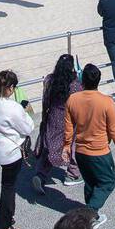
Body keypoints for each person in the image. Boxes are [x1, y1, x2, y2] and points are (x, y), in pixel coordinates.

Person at [63, 64, 115, 229]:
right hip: (99, 152)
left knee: (91, 183)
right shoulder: (106, 101)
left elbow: (68, 127)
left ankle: (93, 215)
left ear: (82, 80)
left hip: (81, 152)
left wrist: (66, 146)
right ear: (98, 80)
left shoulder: (73, 99)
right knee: (108, 181)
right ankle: (88, 215)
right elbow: (114, 129)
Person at [0, 69, 35, 229]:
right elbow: (28, 128)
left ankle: (7, 218)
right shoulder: (12, 107)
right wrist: (25, 112)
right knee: (8, 187)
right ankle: (4, 226)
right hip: (10, 151)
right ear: (10, 88)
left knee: (8, 184)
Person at [32, 54, 83, 192]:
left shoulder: (49, 80)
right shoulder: (75, 85)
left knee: (50, 145)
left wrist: (45, 117)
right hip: (68, 119)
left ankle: (41, 174)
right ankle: (73, 174)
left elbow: (45, 100)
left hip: (53, 116)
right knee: (72, 145)